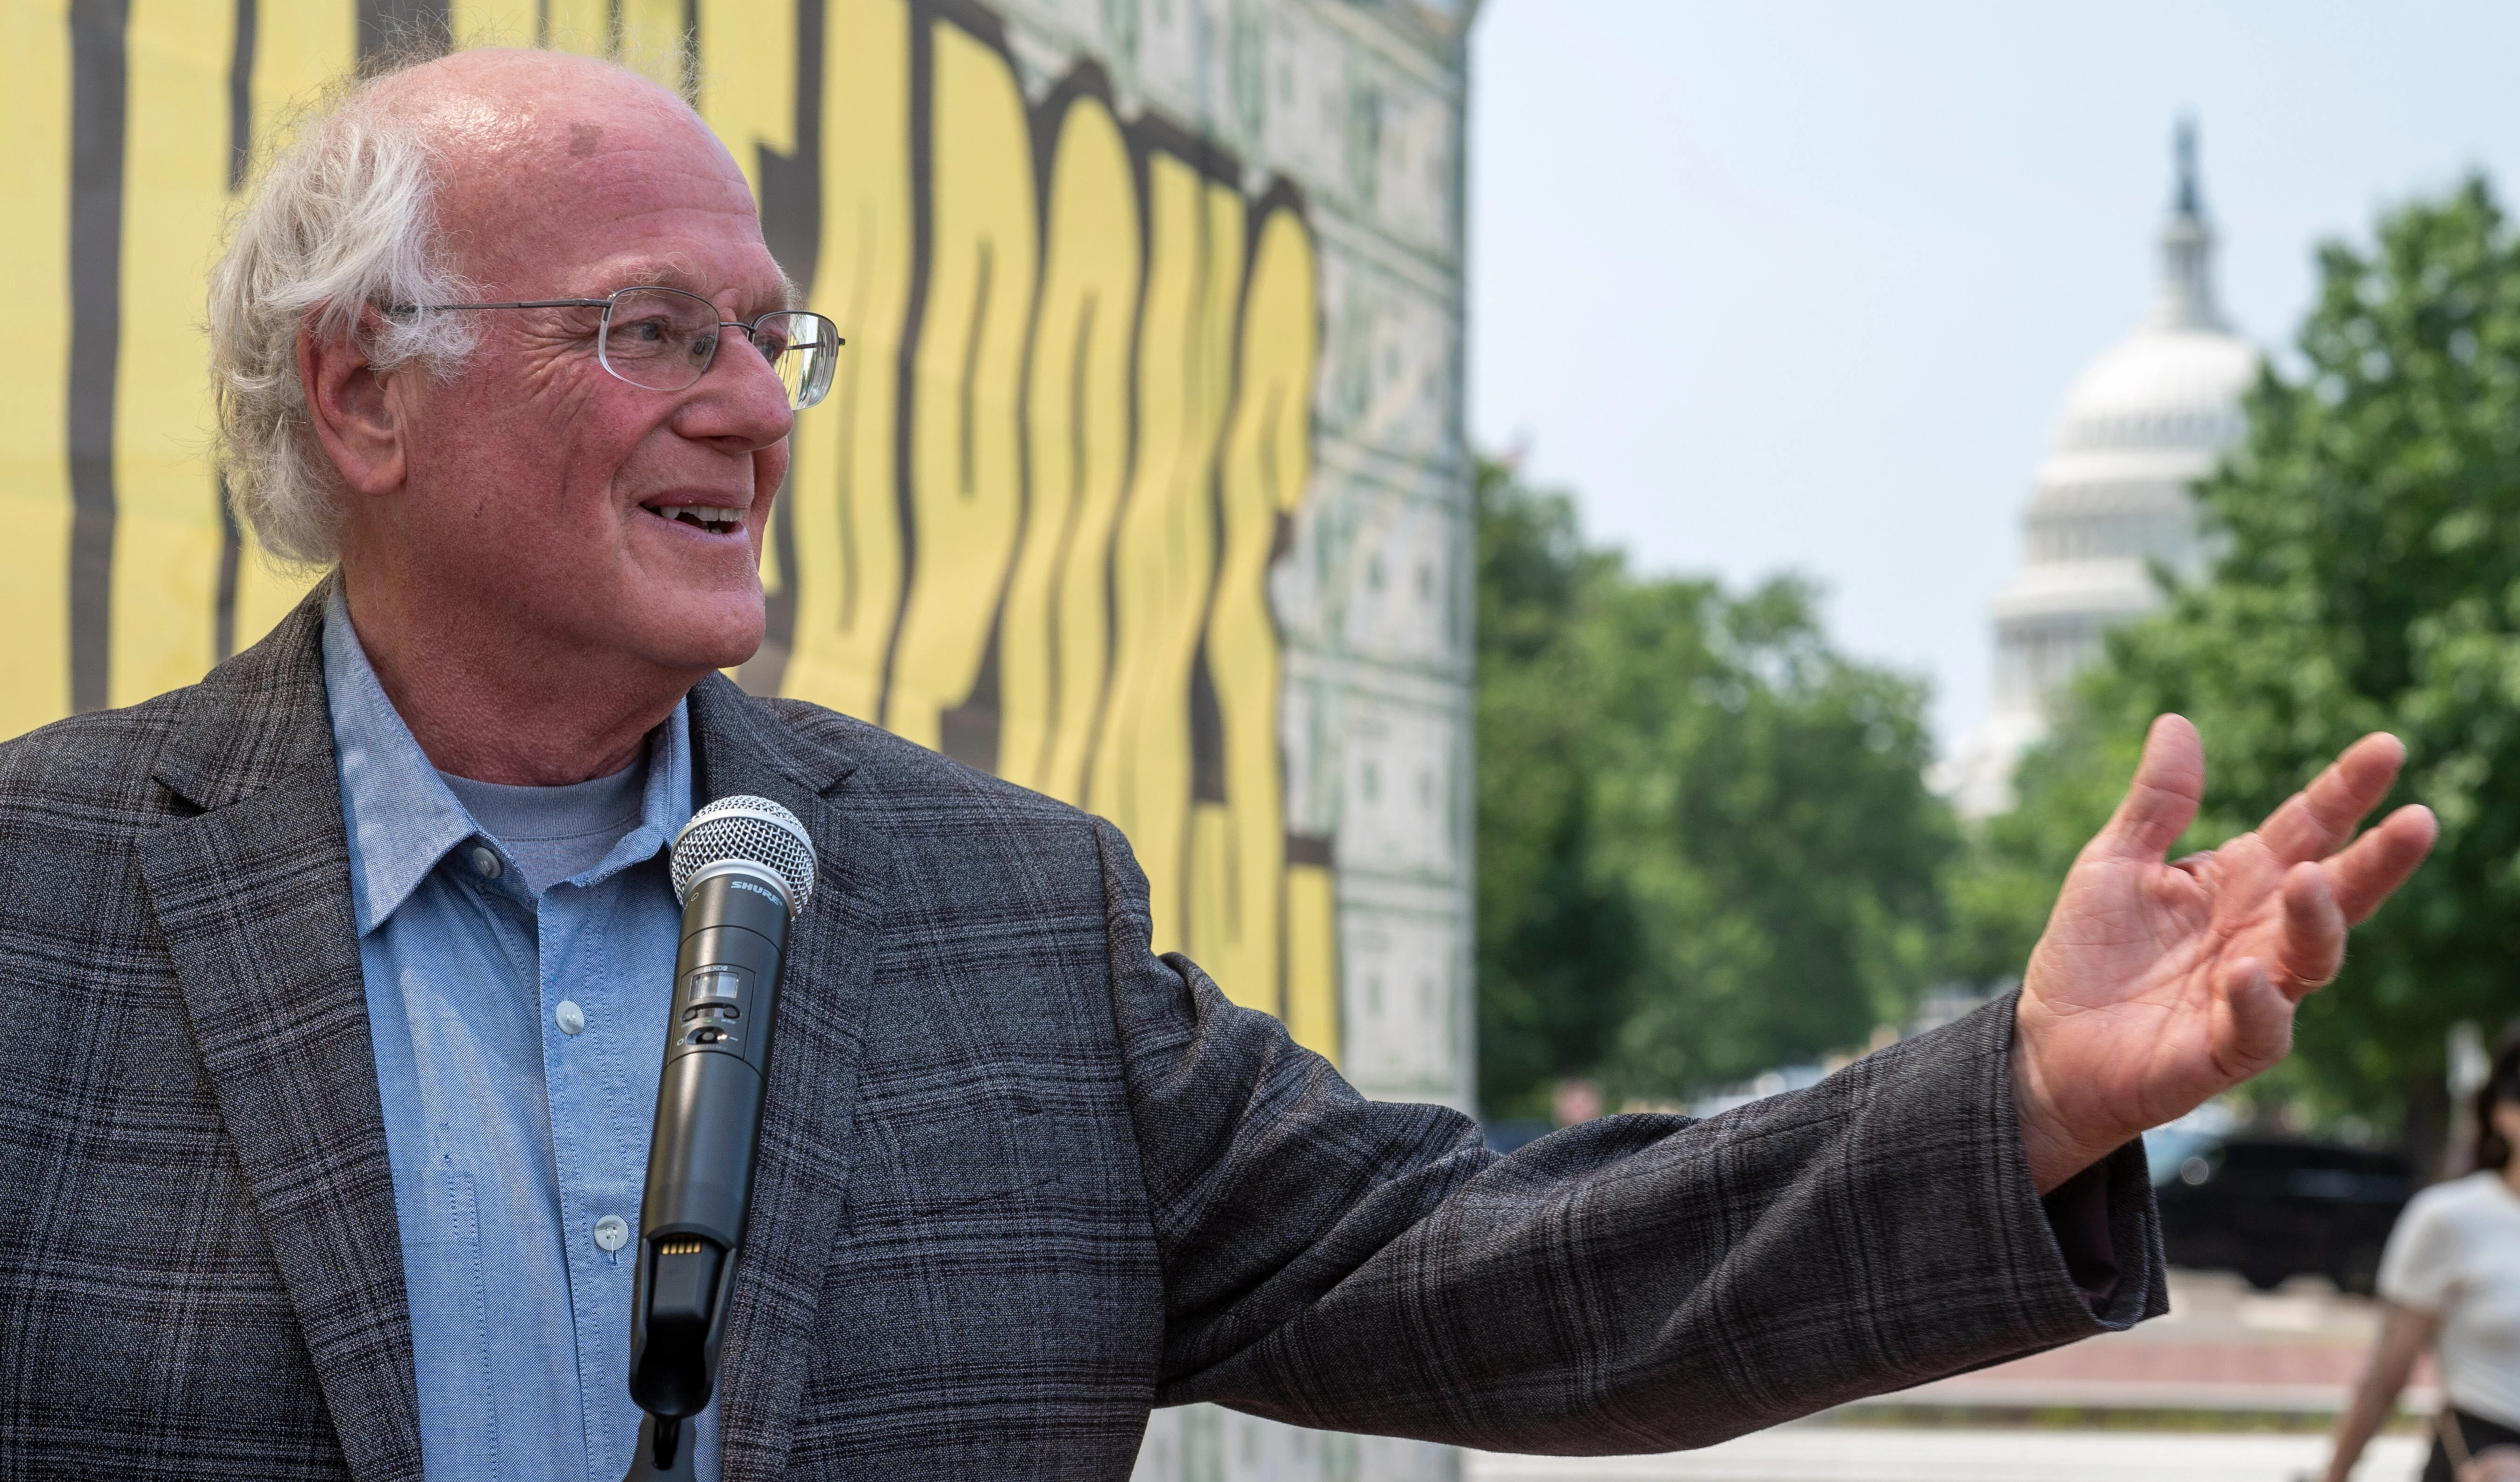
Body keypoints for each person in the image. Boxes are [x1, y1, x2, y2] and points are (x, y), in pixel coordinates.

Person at [0, 46, 2437, 1482]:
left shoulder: (997, 916)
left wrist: (2021, 1097)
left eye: (770, 337)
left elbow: (1496, 1268)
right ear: (364, 388)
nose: (751, 405)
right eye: (650, 330)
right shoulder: (41, 902)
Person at [2324, 1039, 2520, 1482]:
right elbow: (2384, 1377)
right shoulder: (2450, 1217)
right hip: (2480, 1459)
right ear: (2503, 1112)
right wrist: (2333, 1476)